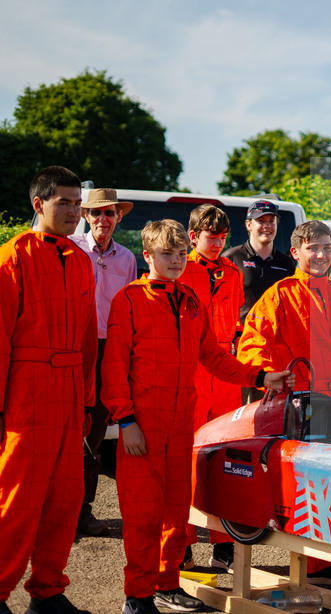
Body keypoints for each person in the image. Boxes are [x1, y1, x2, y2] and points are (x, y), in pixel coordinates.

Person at [103, 220, 291, 614]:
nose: (173, 261)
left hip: (180, 423)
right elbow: (114, 368)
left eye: (176, 255)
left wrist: (259, 377)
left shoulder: (189, 300)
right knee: (142, 515)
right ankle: (137, 597)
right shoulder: (129, 300)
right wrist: (125, 421)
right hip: (143, 424)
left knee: (176, 511)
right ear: (148, 255)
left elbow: (215, 358)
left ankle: (167, 584)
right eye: (165, 255)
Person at [237, 221, 331, 587]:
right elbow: (252, 343)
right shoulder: (279, 294)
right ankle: (313, 567)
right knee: (308, 490)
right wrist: (271, 373)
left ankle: (330, 561)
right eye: (314, 248)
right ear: (296, 252)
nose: (323, 255)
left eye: (328, 248)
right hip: (302, 405)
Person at [0, 166, 97, 614]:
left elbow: (86, 337)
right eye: (65, 203)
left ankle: (48, 592)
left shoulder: (79, 260)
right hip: (27, 389)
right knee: (17, 499)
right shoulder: (11, 257)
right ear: (39, 204)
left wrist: (88, 401)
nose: (74, 212)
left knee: (65, 497)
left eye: (78, 204)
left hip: (69, 389)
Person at [178, 205, 245, 571]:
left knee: (225, 459)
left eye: (222, 237)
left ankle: (224, 546)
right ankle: (183, 543)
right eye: (210, 236)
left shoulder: (232, 274)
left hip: (223, 372)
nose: (217, 243)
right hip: (190, 368)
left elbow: (235, 327)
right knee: (187, 458)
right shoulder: (180, 268)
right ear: (193, 237)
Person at [72, 188, 137, 537]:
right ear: (85, 216)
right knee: (64, 429)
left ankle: (83, 511)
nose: (102, 220)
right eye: (96, 213)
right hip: (72, 348)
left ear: (119, 217)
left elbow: (126, 310)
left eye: (109, 213)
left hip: (108, 349)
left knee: (94, 433)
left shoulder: (126, 258)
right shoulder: (72, 249)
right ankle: (53, 509)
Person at [223, 200, 296, 323]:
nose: (267, 226)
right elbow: (221, 305)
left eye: (271, 221)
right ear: (248, 225)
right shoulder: (231, 258)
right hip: (243, 338)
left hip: (277, 338)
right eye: (261, 221)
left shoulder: (286, 263)